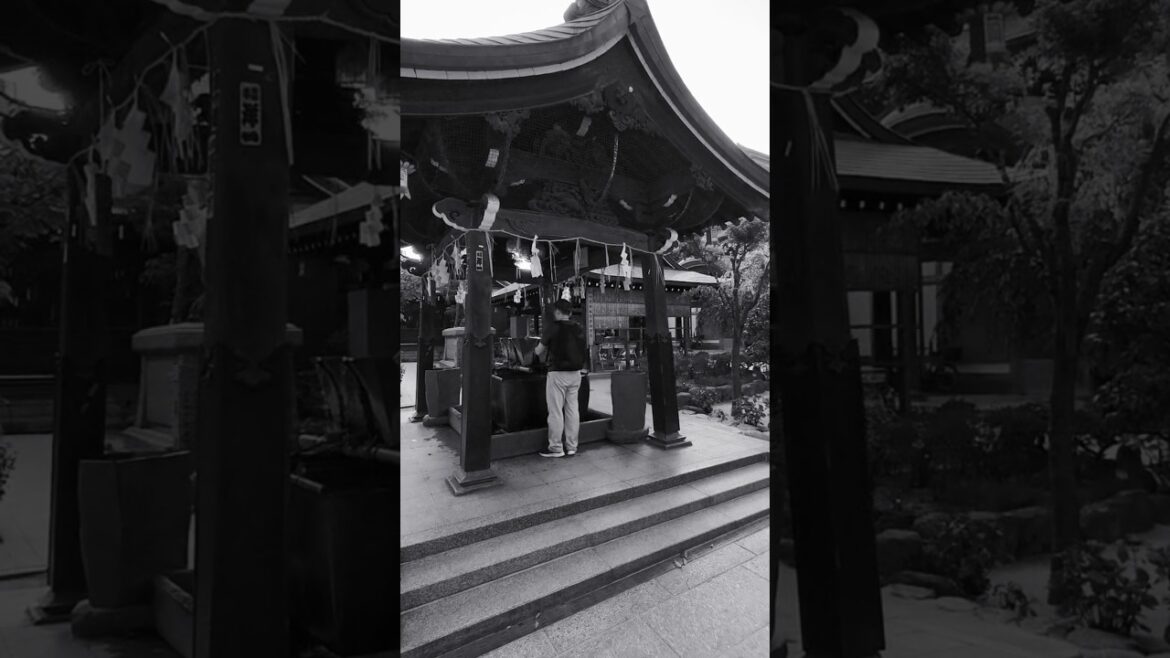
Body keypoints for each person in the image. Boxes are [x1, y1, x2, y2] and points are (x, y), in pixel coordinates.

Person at [534, 299, 588, 458]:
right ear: (570, 313)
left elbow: (538, 351)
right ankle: (572, 446)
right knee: (572, 410)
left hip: (557, 373)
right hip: (576, 374)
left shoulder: (553, 327)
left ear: (557, 312)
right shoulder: (579, 328)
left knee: (556, 411)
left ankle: (556, 448)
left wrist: (535, 349)